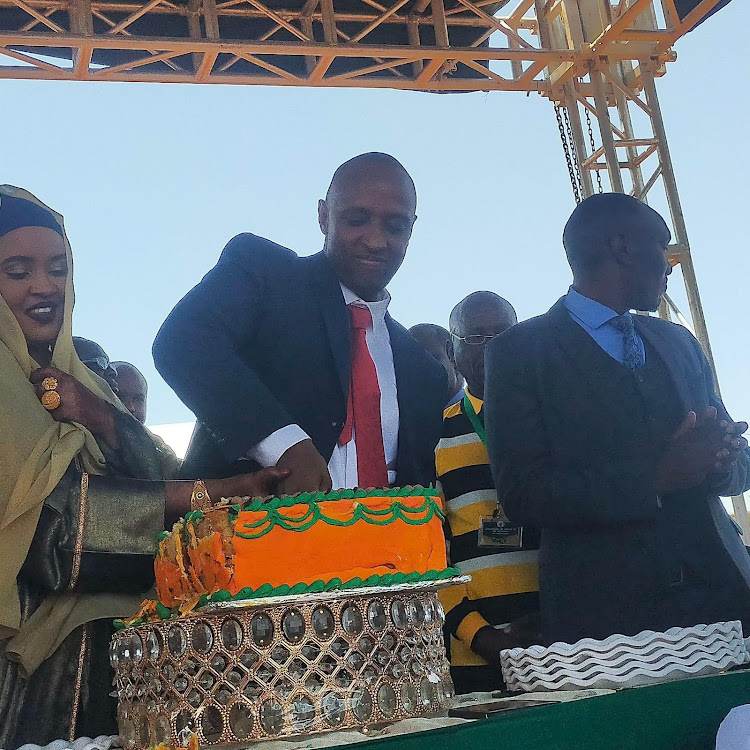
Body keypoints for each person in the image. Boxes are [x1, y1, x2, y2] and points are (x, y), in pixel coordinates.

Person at [0, 186, 287, 748]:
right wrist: (220, 494)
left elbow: (158, 473)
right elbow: (51, 535)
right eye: (17, 270)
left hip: (138, 666)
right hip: (36, 683)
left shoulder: (82, 379)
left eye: (58, 268)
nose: (44, 287)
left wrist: (104, 418)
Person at [484, 193, 750, 645]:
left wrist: (720, 461)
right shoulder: (519, 352)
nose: (669, 265)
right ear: (623, 248)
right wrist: (656, 478)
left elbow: (738, 460)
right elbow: (525, 494)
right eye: (661, 247)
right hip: (607, 625)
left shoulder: (678, 342)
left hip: (723, 605)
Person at [153, 153, 448, 492]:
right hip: (244, 539)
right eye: (357, 219)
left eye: (395, 226)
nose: (376, 240)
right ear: (324, 216)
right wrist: (284, 446)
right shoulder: (266, 276)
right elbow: (184, 341)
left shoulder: (423, 370)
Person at [437, 292, 539, 693]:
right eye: (476, 338)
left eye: (503, 336)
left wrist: (557, 617)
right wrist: (483, 637)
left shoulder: (553, 419)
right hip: (475, 657)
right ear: (452, 349)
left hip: (564, 643)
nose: (491, 349)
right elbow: (427, 557)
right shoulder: (433, 435)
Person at [112, 359, 183, 478]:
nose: (131, 407)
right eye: (120, 397)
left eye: (138, 399)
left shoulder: (161, 451)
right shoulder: (90, 450)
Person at [409, 323, 463, 406]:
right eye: (411, 364)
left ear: (453, 358)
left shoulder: (483, 415)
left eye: (430, 360)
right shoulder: (402, 416)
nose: (419, 371)